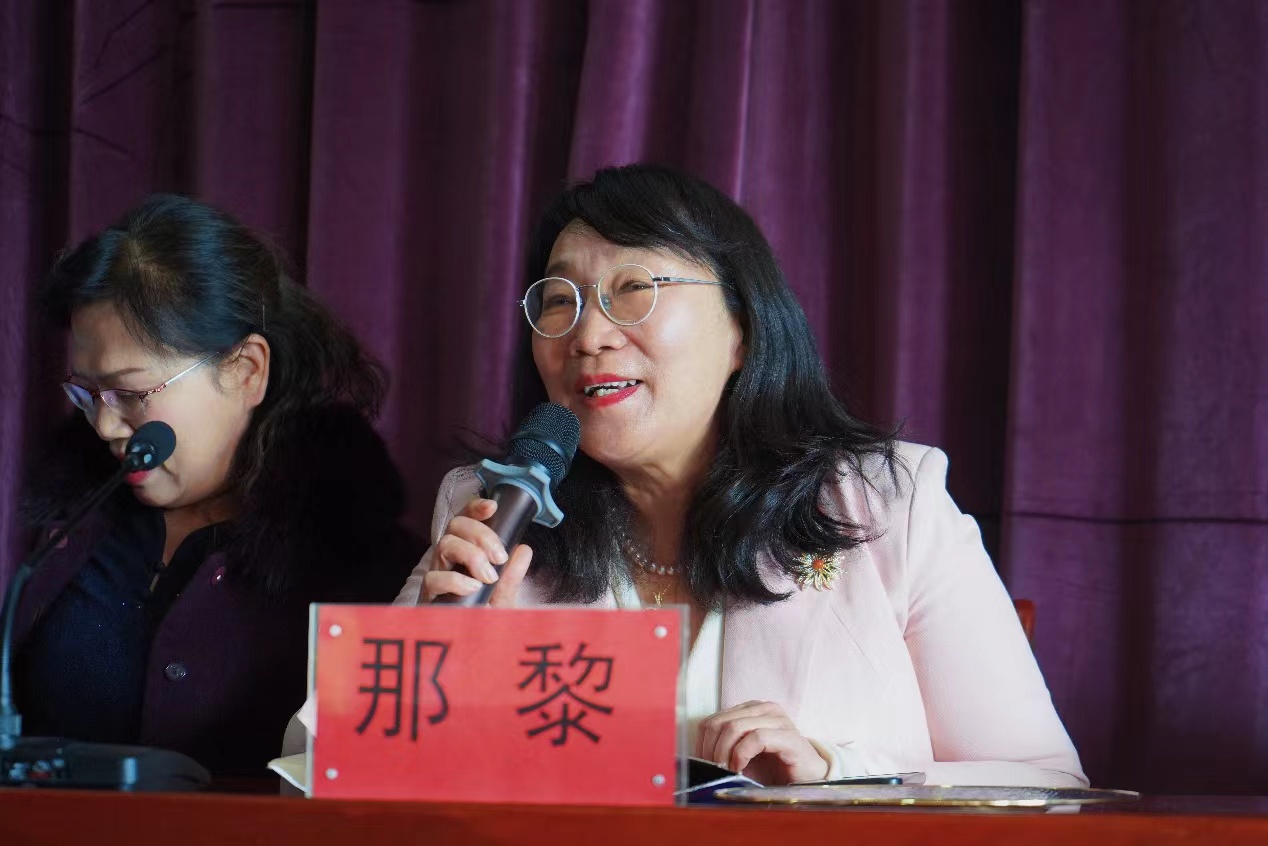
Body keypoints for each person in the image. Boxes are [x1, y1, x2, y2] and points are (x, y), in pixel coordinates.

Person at [396, 164, 1086, 788]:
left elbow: (1047, 784)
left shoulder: (887, 506)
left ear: (742, 330)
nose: (588, 336)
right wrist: (440, 672)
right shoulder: (493, 510)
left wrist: (835, 773)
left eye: (633, 289)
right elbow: (347, 766)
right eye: (558, 301)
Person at [13, 194, 421, 779]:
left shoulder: (369, 569)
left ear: (246, 370)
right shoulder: (73, 534)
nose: (104, 426)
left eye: (130, 394)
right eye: (88, 394)